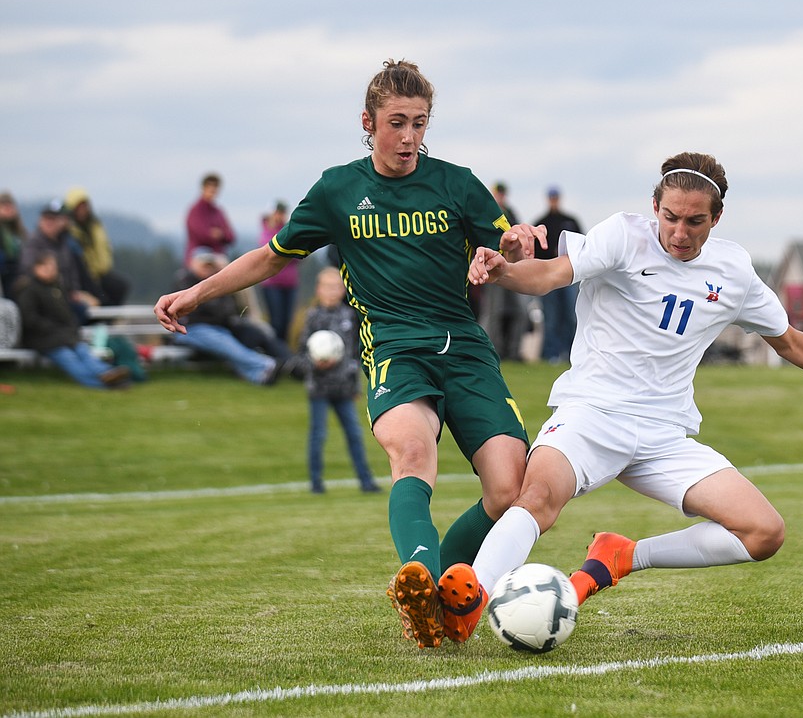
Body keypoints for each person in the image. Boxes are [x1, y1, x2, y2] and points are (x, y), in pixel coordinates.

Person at [433, 153, 803, 644]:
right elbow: (550, 275)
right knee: (536, 497)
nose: (680, 233)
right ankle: (472, 603)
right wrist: (501, 271)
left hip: (663, 436)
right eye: (670, 217)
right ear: (655, 207)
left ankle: (620, 556)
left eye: (695, 221)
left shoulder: (734, 271)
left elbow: (789, 340)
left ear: (717, 218)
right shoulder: (622, 236)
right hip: (591, 415)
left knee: (764, 533)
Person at [154, 58, 547, 650]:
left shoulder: (456, 181)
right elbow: (270, 256)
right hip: (393, 349)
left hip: (465, 348)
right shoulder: (339, 189)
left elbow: (508, 248)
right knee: (413, 454)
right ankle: (417, 573)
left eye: (420, 123)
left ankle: (439, 589)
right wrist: (197, 291)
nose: (410, 137)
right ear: (368, 122)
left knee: (509, 490)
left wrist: (511, 245)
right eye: (397, 122)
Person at [299, 267, 381, 494]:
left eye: (336, 286)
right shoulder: (312, 317)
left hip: (344, 388)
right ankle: (316, 483)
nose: (332, 291)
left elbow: (356, 352)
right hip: (319, 388)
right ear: (318, 289)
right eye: (327, 286)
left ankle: (366, 482)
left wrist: (355, 385)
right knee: (318, 435)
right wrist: (315, 363)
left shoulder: (349, 315)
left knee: (355, 434)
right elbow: (301, 353)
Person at [12, 251, 131, 389]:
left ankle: (108, 373)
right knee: (69, 358)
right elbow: (29, 319)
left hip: (64, 336)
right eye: (47, 267)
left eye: (53, 267)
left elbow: (67, 314)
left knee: (84, 353)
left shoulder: (56, 287)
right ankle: (101, 384)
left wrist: (69, 328)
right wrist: (55, 329)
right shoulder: (28, 290)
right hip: (43, 339)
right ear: (37, 268)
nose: (51, 270)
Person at [168, 248, 281, 385]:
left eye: (210, 265)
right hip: (190, 329)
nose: (207, 268)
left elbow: (228, 308)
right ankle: (265, 364)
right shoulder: (186, 281)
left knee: (233, 341)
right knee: (226, 344)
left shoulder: (213, 284)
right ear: (192, 264)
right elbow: (206, 309)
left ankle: (259, 376)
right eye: (204, 265)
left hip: (216, 327)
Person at [19, 200, 100, 326]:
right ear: (41, 221)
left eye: (53, 219)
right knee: (78, 313)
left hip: (64, 294)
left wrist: (74, 290)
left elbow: (72, 271)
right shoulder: (33, 243)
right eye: (47, 219)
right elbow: (29, 270)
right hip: (45, 295)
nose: (49, 223)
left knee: (88, 309)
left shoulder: (64, 243)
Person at [533, 186, 583, 363]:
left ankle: (570, 353)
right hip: (549, 276)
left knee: (571, 315)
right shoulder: (541, 222)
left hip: (569, 276)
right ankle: (551, 353)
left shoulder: (570, 221)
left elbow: (581, 246)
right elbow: (535, 252)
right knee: (551, 316)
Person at [479, 181, 528, 361]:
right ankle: (491, 351)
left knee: (520, 311)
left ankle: (513, 352)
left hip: (512, 267)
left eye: (502, 193)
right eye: (498, 193)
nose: (500, 196)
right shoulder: (486, 210)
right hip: (493, 268)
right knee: (492, 312)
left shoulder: (510, 213)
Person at [65, 187, 131, 306]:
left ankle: (109, 320)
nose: (82, 210)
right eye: (79, 207)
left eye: (84, 206)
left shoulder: (95, 225)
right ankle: (104, 320)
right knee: (101, 299)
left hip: (101, 272)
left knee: (120, 287)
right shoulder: (70, 232)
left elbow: (104, 248)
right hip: (85, 275)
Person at [258, 201, 299, 342]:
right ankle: (274, 350)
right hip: (272, 283)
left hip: (290, 282)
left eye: (282, 213)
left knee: (287, 321)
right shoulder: (267, 230)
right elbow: (269, 253)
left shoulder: (289, 229)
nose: (280, 216)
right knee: (276, 320)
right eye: (277, 212)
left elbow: (298, 253)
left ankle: (283, 352)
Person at [185, 172, 235, 264]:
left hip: (217, 255)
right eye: (210, 190)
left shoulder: (219, 212)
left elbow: (231, 236)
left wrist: (220, 234)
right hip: (198, 254)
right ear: (203, 189)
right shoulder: (195, 211)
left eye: (215, 190)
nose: (213, 193)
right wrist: (213, 234)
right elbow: (199, 233)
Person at [0, 191, 27, 297]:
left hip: (18, 271)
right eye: (4, 205)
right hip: (5, 274)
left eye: (10, 205)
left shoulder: (18, 230)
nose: (8, 209)